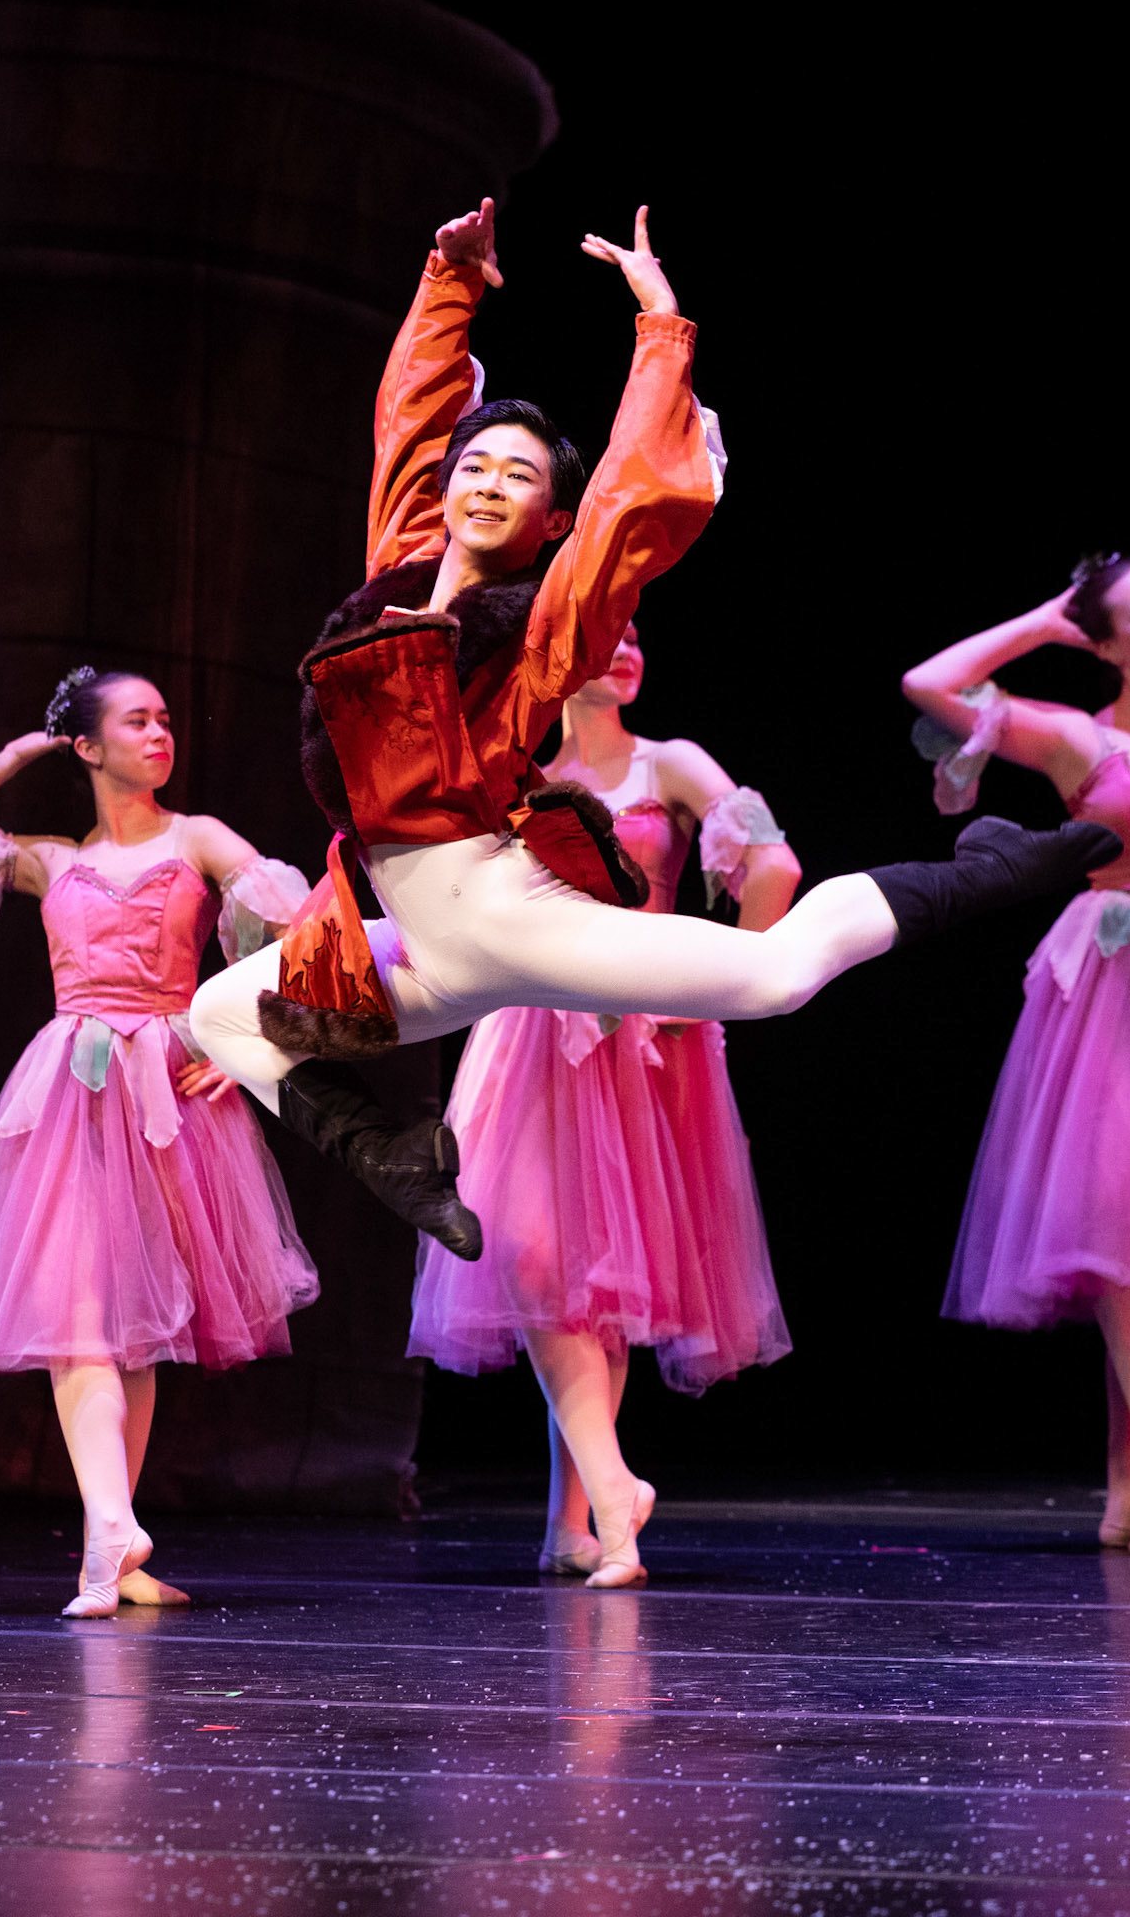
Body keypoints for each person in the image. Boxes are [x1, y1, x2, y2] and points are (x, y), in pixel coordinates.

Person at [190, 201, 1120, 1579]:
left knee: (774, 978)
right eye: (477, 465)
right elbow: (408, 423)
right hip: (412, 943)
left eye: (518, 476)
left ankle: (987, 868)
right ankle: (392, 1156)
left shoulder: (539, 621)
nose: (486, 483)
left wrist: (660, 329)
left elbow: (633, 503)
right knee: (218, 1015)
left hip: (505, 911)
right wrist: (448, 282)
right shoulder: (390, 574)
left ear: (547, 516)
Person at [0, 667, 319, 1616]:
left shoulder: (197, 838)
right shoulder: (50, 860)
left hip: (167, 1088)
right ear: (88, 746)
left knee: (132, 1334)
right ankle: (111, 1539)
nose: (161, 734)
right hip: (71, 1093)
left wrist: (254, 1046)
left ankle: (110, 1553)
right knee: (79, 1312)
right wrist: (21, 752)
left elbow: (303, 935)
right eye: (138, 721)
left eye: (166, 719)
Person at [409, 622, 801, 1585]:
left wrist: (718, 988)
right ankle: (588, 1509)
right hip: (534, 1032)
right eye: (606, 634)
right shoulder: (521, 775)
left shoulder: (671, 764)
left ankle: (588, 1514)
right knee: (541, 1260)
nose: (626, 648)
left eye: (636, 636)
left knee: (601, 1279)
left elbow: (775, 866)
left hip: (639, 1037)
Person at [903, 555, 1130, 1555]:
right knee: (1126, 1234)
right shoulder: (1085, 738)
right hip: (1119, 994)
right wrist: (1044, 619)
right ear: (1106, 643)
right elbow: (930, 685)